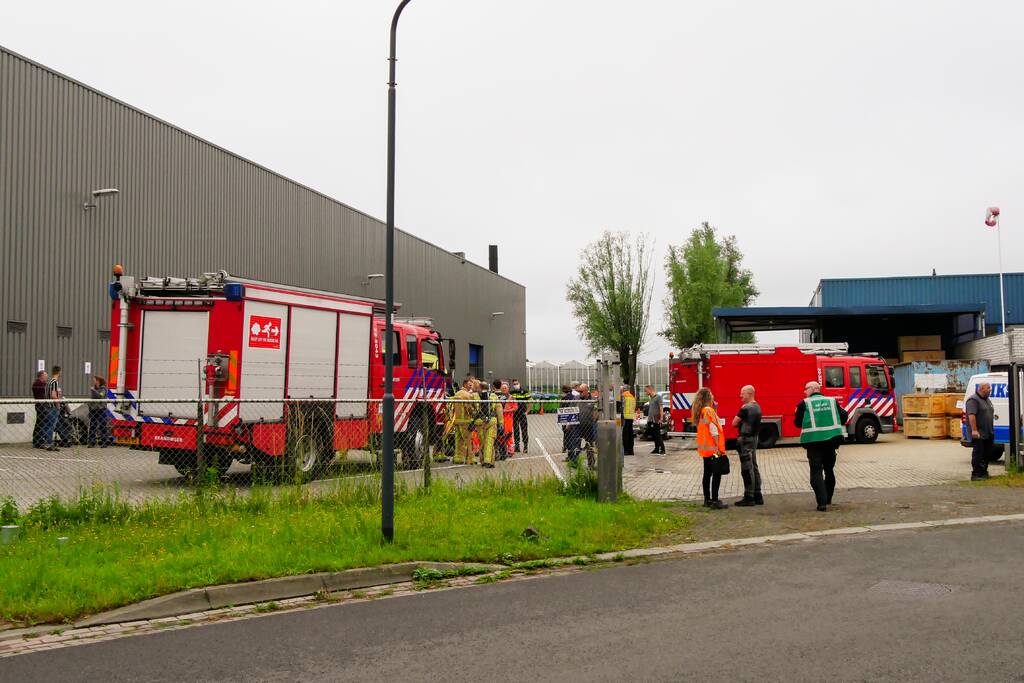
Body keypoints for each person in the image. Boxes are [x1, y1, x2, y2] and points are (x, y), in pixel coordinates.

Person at [795, 381, 849, 512]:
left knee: (816, 472)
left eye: (806, 389)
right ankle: (828, 498)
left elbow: (797, 423)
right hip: (831, 443)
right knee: (829, 471)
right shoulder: (832, 401)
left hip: (814, 444)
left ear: (813, 389)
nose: (804, 392)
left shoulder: (804, 403)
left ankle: (821, 502)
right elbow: (844, 417)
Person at [692, 387, 728, 509]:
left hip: (706, 450)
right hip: (714, 449)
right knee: (717, 474)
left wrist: (715, 409)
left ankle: (707, 500)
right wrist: (718, 446)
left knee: (707, 474)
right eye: (711, 395)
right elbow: (714, 430)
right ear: (708, 397)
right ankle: (715, 500)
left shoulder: (702, 411)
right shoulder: (709, 411)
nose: (713, 396)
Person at [732, 384, 764, 506]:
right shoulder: (758, 407)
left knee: (747, 468)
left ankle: (749, 496)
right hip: (754, 439)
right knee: (754, 466)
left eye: (742, 393)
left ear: (750, 394)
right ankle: (758, 494)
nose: (740, 395)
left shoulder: (745, 408)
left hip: (745, 439)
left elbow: (734, 423)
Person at [966, 382, 995, 481]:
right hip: (978, 433)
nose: (990, 390)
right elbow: (971, 415)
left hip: (988, 432)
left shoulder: (987, 400)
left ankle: (983, 472)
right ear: (981, 389)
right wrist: (974, 430)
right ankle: (976, 474)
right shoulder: (973, 400)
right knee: (978, 453)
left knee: (987, 453)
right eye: (988, 388)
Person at [452, 378, 477, 465]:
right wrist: (474, 413)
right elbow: (469, 408)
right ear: (465, 384)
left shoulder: (457, 393)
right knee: (468, 440)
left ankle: (458, 458)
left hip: (457, 420)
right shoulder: (467, 395)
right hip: (465, 420)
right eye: (470, 385)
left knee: (458, 440)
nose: (471, 387)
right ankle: (470, 458)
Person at [577, 384, 597, 468]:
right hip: (578, 426)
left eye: (581, 391)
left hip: (589, 426)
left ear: (586, 391)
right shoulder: (576, 399)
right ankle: (575, 462)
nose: (579, 393)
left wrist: (593, 420)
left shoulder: (593, 400)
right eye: (579, 391)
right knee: (576, 444)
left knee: (589, 445)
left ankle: (591, 463)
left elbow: (596, 411)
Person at [88, 376, 111, 447]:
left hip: (101, 410)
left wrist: (93, 391)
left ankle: (104, 442)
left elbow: (100, 396)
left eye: (95, 380)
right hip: (94, 410)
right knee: (92, 426)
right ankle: (92, 442)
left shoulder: (103, 389)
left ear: (98, 381)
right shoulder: (94, 388)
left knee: (103, 426)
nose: (93, 381)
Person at [560, 384, 579, 461]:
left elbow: (562, 409)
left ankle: (568, 451)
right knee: (573, 437)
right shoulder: (574, 397)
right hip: (574, 419)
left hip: (566, 419)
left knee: (567, 436)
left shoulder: (565, 398)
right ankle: (573, 454)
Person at [510, 379, 530, 453]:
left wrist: (527, 411)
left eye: (517, 383)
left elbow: (530, 401)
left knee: (524, 430)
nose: (516, 385)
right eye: (514, 384)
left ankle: (525, 446)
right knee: (515, 431)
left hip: (522, 414)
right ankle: (517, 446)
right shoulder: (511, 392)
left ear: (519, 383)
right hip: (514, 415)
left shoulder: (524, 391)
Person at [645, 385, 665, 455]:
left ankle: (663, 449)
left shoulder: (658, 397)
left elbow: (661, 408)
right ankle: (656, 449)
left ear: (650, 389)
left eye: (646, 390)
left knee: (657, 434)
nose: (645, 392)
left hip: (656, 419)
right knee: (654, 434)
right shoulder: (651, 398)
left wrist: (661, 418)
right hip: (650, 419)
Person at [499, 382, 516, 459]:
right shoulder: (499, 397)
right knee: (501, 434)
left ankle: (510, 450)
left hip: (508, 419)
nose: (504, 389)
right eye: (502, 388)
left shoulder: (511, 397)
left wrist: (507, 410)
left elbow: (515, 407)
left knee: (509, 434)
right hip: (500, 419)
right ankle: (502, 450)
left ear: (508, 389)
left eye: (505, 388)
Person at [31, 370, 48, 448]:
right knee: (41, 423)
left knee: (39, 423)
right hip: (41, 406)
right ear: (41, 376)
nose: (47, 377)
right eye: (45, 375)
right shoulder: (38, 383)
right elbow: (47, 388)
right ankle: (40, 441)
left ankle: (36, 440)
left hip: (41, 405)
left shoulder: (39, 383)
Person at [620, 384, 637, 456]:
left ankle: (626, 451)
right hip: (631, 417)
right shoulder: (632, 396)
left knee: (625, 435)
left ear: (623, 389)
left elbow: (621, 406)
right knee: (630, 434)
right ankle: (631, 451)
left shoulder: (623, 396)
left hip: (625, 417)